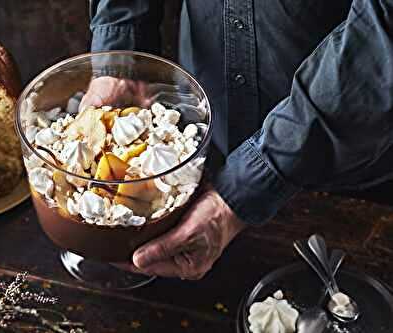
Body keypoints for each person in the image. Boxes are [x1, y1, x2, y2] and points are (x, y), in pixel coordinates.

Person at [82, 0, 393, 280]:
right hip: (206, 147)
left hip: (353, 183)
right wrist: (121, 55)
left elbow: (382, 34)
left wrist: (241, 193)